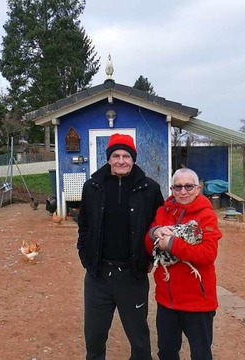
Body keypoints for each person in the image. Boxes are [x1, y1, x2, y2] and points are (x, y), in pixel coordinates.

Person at [77, 133, 164, 360]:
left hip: (132, 276)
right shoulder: (92, 187)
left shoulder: (150, 189)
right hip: (98, 276)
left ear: (134, 158)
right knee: (94, 339)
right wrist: (86, 259)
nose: (121, 160)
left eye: (126, 155)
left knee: (139, 340)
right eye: (116, 155)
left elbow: (160, 226)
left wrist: (150, 259)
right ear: (108, 158)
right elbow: (83, 226)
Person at [145, 168, 222, 360]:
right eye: (178, 187)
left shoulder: (206, 216)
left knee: (201, 354)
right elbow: (149, 247)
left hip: (198, 301)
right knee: (167, 352)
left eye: (189, 186)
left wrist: (171, 244)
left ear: (198, 189)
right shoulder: (162, 212)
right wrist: (154, 233)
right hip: (167, 300)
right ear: (172, 189)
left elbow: (207, 254)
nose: (183, 191)